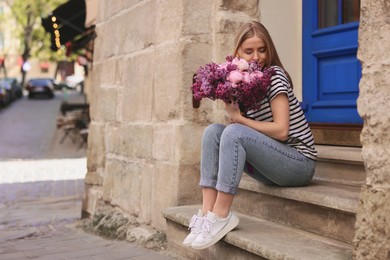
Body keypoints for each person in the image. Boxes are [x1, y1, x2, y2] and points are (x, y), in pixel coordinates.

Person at [183, 21, 317, 250]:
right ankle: (206, 214)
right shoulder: (245, 79)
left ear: (270, 50)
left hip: (298, 163)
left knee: (234, 131)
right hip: (272, 165)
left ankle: (222, 214)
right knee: (213, 132)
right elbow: (243, 136)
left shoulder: (274, 76)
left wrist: (240, 120)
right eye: (249, 51)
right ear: (237, 53)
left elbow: (282, 131)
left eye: (262, 49)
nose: (257, 56)